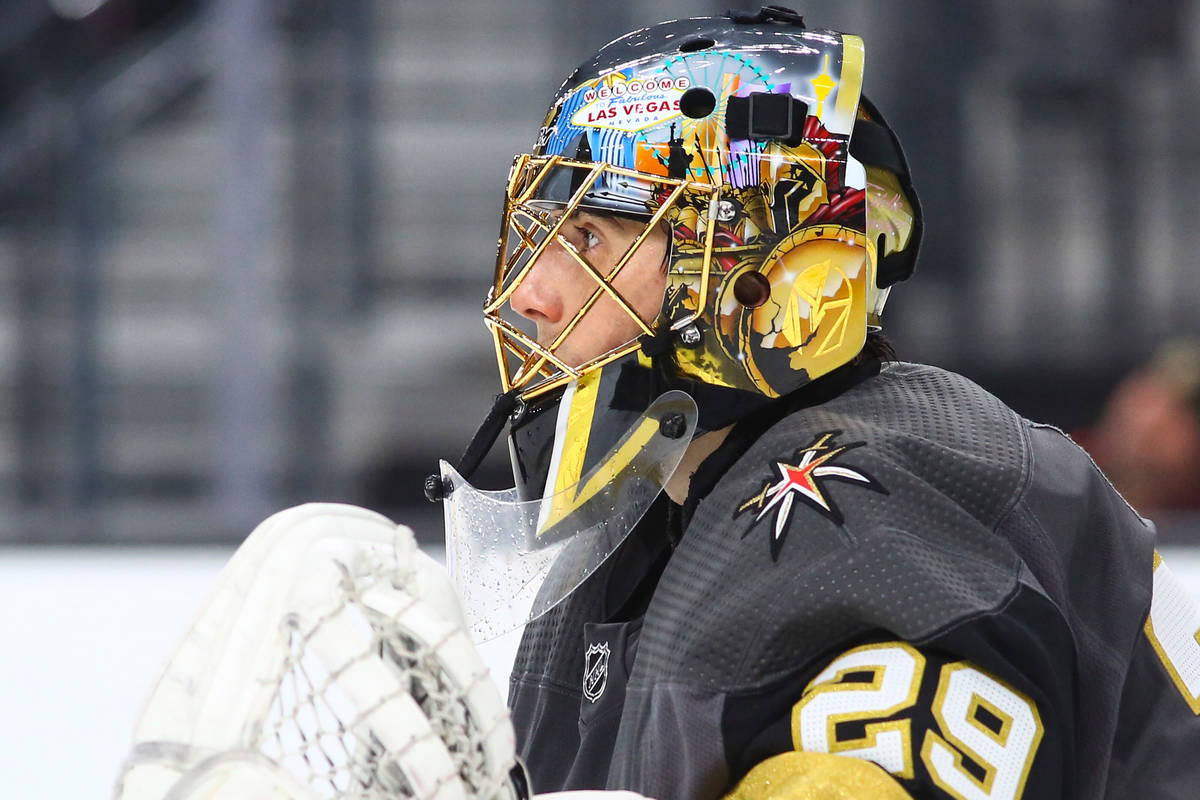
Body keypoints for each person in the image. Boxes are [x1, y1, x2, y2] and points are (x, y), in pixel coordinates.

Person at [431, 8, 1200, 800]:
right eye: (544, 233)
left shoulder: (887, 505)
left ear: (749, 263)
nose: (530, 294)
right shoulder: (654, 512)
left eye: (592, 237)